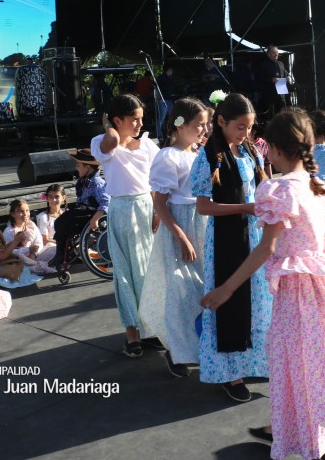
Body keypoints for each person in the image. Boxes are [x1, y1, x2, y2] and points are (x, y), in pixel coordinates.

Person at [201, 109, 325, 460]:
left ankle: (324, 441)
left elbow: (267, 247)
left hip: (298, 297)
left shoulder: (278, 189)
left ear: (275, 149)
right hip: (324, 293)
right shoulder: (311, 183)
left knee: (305, 371)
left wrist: (226, 288)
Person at [189, 92, 271, 403]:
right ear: (221, 122)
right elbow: (204, 207)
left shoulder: (249, 151)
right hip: (227, 236)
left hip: (252, 233)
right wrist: (244, 208)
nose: (246, 133)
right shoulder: (208, 156)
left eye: (249, 127)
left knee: (256, 302)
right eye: (240, 127)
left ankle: (253, 362)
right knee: (231, 300)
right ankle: (230, 373)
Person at [139, 98, 209, 378]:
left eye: (205, 125)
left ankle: (197, 348)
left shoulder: (196, 152)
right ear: (179, 126)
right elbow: (160, 203)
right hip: (181, 225)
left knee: (201, 290)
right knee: (182, 292)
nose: (204, 130)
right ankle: (177, 349)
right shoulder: (168, 157)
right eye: (198, 125)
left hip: (201, 224)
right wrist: (181, 236)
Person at [91, 94, 161, 357]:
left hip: (146, 208)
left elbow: (156, 181)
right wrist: (109, 124)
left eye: (141, 119)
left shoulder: (147, 146)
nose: (139, 125)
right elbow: (110, 142)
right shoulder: (102, 142)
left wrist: (157, 212)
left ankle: (149, 328)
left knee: (148, 270)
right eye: (134, 120)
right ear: (118, 120)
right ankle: (132, 331)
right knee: (125, 272)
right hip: (121, 210)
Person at [47, 149, 110, 269]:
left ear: (87, 167)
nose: (77, 168)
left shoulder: (96, 182)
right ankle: (62, 253)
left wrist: (96, 218)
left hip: (91, 213)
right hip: (83, 211)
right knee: (61, 222)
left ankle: (62, 254)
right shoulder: (85, 181)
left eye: (78, 165)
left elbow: (106, 201)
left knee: (63, 222)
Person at [3, 199, 56, 276]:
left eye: (27, 211)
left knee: (52, 246)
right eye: (21, 212)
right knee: (21, 258)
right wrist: (28, 250)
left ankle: (39, 266)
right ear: (13, 214)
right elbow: (9, 251)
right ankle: (40, 267)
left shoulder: (31, 225)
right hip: (20, 261)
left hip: (34, 257)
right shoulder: (9, 231)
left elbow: (39, 242)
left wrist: (33, 254)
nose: (25, 214)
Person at [258, 45, 290, 116]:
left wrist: (287, 77)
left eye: (277, 52)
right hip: (270, 94)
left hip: (281, 94)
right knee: (272, 116)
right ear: (268, 54)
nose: (276, 54)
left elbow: (285, 75)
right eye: (274, 52)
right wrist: (271, 80)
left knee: (283, 115)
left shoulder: (281, 64)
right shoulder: (264, 65)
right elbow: (260, 78)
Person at [155, 64, 175, 141]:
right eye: (171, 70)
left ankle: (170, 133)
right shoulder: (161, 78)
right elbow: (156, 86)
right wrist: (158, 95)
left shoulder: (168, 78)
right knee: (161, 118)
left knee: (171, 117)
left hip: (169, 100)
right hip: (163, 100)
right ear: (169, 69)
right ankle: (158, 134)